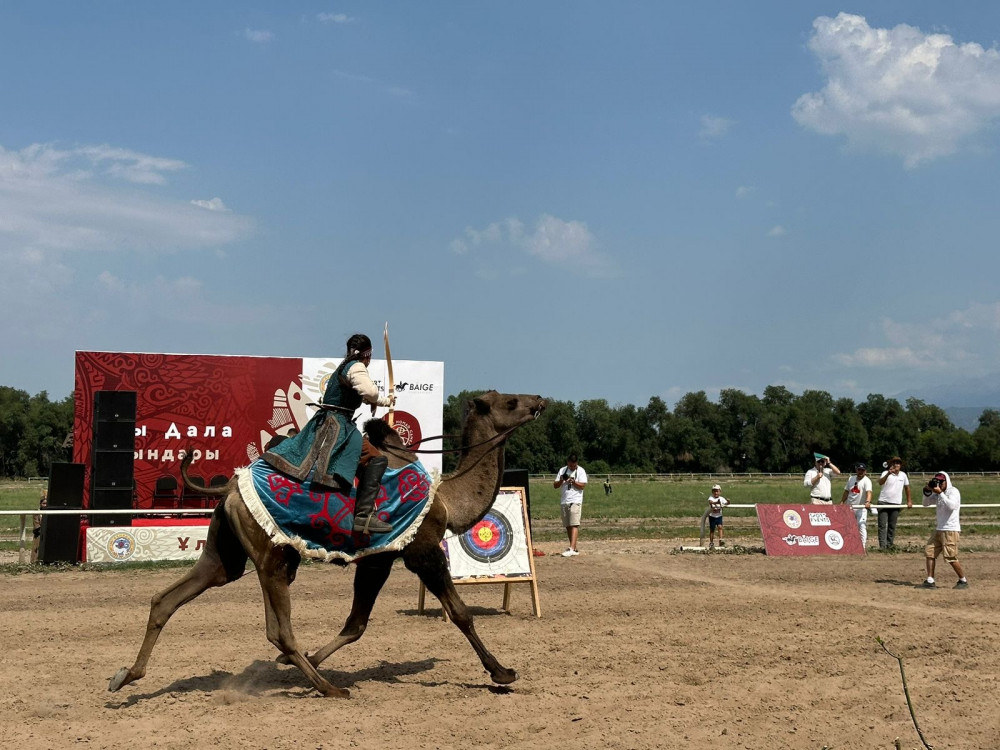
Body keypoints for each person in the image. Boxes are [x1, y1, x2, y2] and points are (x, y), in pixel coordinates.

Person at [263, 334, 396, 534]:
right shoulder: (357, 366)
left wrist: (386, 401)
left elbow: (364, 395)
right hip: (339, 427)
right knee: (377, 460)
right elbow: (369, 392)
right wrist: (381, 398)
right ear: (367, 355)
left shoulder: (344, 366)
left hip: (328, 422)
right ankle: (363, 516)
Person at [921, 471, 968, 589]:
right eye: (938, 481)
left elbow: (952, 506)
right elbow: (925, 504)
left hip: (951, 529)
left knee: (950, 557)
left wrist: (940, 494)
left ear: (947, 481)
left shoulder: (953, 491)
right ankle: (930, 580)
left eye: (941, 482)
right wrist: (927, 492)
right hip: (939, 528)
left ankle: (963, 580)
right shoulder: (936, 493)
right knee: (930, 551)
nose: (939, 484)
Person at [554, 454, 587, 557]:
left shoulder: (581, 471)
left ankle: (571, 548)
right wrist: (561, 480)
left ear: (576, 463)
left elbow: (582, 486)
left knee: (574, 524)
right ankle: (574, 547)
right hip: (564, 501)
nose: (572, 467)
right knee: (568, 525)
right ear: (567, 462)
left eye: (574, 465)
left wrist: (573, 482)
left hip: (575, 500)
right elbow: (555, 485)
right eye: (570, 465)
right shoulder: (562, 470)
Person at [876, 456, 912, 549]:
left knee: (892, 526)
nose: (896, 464)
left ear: (901, 465)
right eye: (895, 462)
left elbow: (907, 488)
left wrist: (909, 501)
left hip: (896, 503)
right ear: (891, 464)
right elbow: (880, 482)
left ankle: (890, 545)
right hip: (883, 502)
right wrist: (888, 474)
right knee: (882, 526)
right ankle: (882, 547)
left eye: (898, 463)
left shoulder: (903, 475)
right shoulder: (885, 473)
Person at [840, 463, 872, 547]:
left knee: (861, 525)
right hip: (850, 507)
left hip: (861, 507)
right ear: (856, 470)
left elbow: (869, 492)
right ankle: (849, 545)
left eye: (862, 470)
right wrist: (842, 502)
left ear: (865, 471)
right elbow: (846, 491)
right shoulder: (851, 478)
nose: (860, 471)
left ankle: (862, 546)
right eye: (859, 469)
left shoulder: (867, 480)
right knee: (849, 526)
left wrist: (868, 501)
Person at [707, 483, 729, 549]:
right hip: (712, 516)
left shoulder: (721, 498)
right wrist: (716, 502)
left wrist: (728, 501)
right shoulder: (711, 497)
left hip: (719, 516)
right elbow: (710, 502)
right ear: (712, 492)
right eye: (714, 491)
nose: (715, 492)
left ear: (720, 492)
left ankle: (721, 540)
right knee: (712, 529)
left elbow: (726, 503)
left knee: (720, 527)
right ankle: (711, 542)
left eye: (717, 491)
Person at [30, 489, 47, 563]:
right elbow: (36, 524)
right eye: (44, 503)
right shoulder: (37, 513)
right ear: (40, 504)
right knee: (36, 548)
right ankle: (34, 562)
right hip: (39, 533)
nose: (45, 505)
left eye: (46, 503)